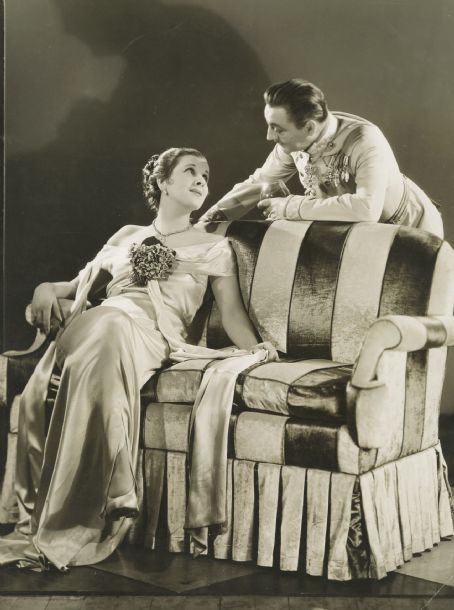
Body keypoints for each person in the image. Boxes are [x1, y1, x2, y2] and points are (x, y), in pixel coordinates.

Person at [0, 147, 277, 570]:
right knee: (108, 320)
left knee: (112, 328)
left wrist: (258, 350)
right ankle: (108, 493)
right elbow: (73, 287)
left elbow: (233, 314)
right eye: (190, 171)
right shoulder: (126, 234)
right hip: (98, 324)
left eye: (206, 174)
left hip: (151, 337)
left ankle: (84, 511)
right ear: (163, 182)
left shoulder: (215, 247)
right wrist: (44, 288)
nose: (201, 179)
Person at [199, 79, 443, 237]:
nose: (269, 136)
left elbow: (366, 209)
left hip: (410, 230)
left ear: (310, 128)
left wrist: (289, 207)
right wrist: (209, 221)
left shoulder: (366, 141)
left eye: (278, 129)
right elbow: (260, 182)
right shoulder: (294, 140)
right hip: (360, 234)